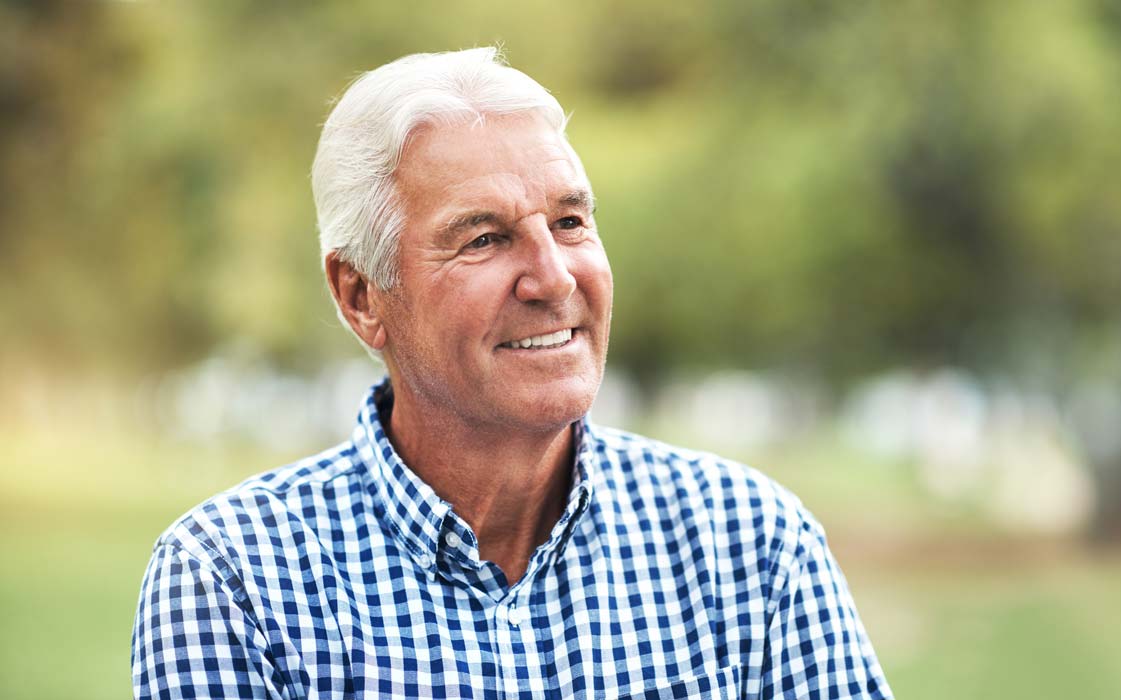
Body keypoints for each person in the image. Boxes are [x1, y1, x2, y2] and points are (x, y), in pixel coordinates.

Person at [131, 48, 893, 699]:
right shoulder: (232, 584)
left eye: (569, 223)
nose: (554, 279)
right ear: (361, 296)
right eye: (485, 239)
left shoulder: (751, 542)